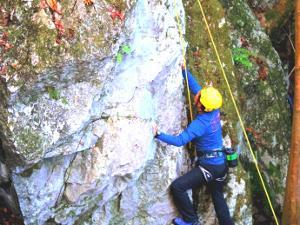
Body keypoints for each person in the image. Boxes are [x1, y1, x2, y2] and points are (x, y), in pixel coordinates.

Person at [153, 67, 234, 225]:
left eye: (198, 97)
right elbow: (198, 90)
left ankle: (191, 220)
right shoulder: (214, 109)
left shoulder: (200, 124)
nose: (197, 94)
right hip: (220, 164)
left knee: (178, 187)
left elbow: (180, 141)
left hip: (209, 167)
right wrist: (184, 71)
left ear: (200, 105)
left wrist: (158, 134)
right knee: (218, 198)